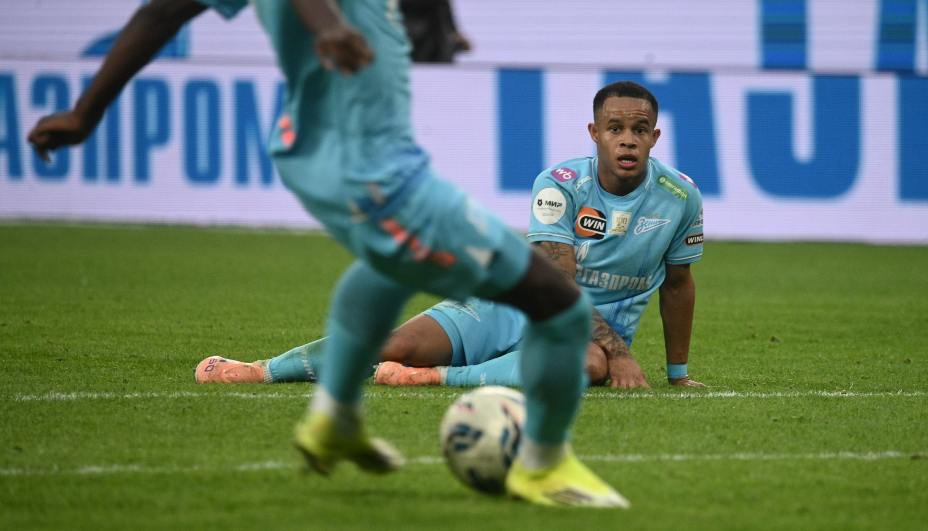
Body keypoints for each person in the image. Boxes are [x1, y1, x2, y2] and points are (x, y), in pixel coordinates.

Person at [28, 0, 627, 508]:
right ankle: (542, 465)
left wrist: (86, 112)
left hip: (316, 155)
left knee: (392, 267)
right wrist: (328, 26)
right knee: (560, 306)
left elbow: (164, 10)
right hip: (381, 175)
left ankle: (334, 418)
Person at [196, 81, 706, 390]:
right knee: (396, 343)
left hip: (584, 338)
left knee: (586, 365)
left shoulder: (679, 197)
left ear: (655, 137)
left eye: (639, 129)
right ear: (594, 133)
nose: (627, 140)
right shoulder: (560, 184)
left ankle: (432, 378)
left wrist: (677, 372)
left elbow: (678, 284)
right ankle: (263, 369)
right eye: (615, 128)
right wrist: (622, 353)